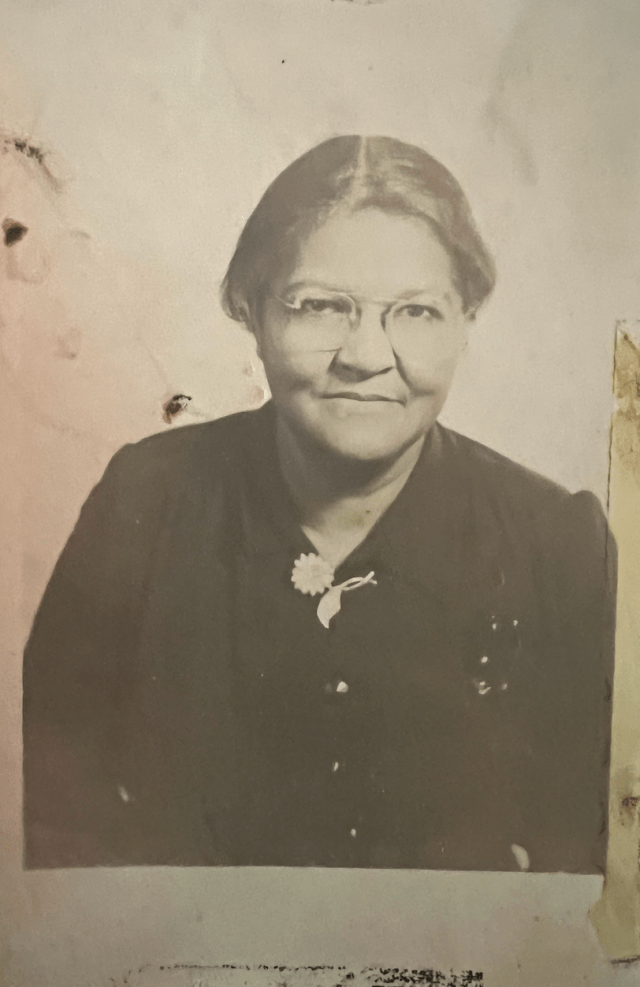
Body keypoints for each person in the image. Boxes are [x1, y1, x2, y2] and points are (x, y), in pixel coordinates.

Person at [22, 135, 616, 872]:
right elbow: (56, 823)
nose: (366, 356)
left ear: (468, 323)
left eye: (418, 313)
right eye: (320, 307)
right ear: (253, 312)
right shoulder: (144, 501)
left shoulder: (560, 545)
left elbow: (590, 875)